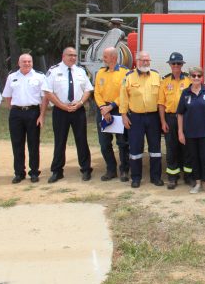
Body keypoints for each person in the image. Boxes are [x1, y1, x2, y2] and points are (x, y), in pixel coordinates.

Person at [43, 46, 95, 183]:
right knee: (60, 141)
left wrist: (80, 103)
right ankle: (57, 171)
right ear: (63, 56)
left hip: (78, 110)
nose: (72, 57)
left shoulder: (80, 71)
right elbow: (48, 92)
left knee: (82, 140)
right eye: (69, 55)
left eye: (75, 55)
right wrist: (62, 106)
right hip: (61, 111)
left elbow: (88, 90)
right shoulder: (53, 71)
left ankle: (85, 169)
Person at [119, 51, 163, 188]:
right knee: (135, 149)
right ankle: (136, 178)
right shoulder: (129, 77)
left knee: (155, 149)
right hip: (136, 118)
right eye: (143, 60)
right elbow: (123, 97)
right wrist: (124, 115)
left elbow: (162, 98)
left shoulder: (156, 76)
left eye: (148, 60)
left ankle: (156, 177)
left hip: (153, 117)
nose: (146, 63)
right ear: (137, 61)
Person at [2, 53, 48, 183]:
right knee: (17, 144)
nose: (27, 64)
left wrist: (41, 115)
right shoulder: (12, 77)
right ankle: (19, 173)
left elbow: (44, 97)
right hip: (16, 113)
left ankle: (34, 172)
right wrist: (14, 110)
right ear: (19, 63)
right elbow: (7, 96)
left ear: (32, 62)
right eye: (24, 61)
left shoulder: (39, 76)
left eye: (29, 61)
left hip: (33, 112)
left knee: (33, 144)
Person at [177, 66, 205, 196]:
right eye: (193, 75)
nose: (196, 78)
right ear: (190, 77)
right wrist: (180, 132)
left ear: (202, 78)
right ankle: (197, 183)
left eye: (198, 76)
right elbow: (180, 114)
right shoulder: (185, 93)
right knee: (194, 159)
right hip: (190, 133)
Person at [94, 47, 130, 182]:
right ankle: (111, 170)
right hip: (103, 110)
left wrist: (111, 106)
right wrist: (103, 107)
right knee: (104, 143)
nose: (103, 59)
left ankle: (124, 170)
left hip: (118, 110)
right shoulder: (100, 73)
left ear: (114, 58)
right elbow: (96, 92)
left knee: (122, 143)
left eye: (105, 56)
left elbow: (125, 93)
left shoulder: (124, 72)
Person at [159, 52, 192, 189]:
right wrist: (163, 121)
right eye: (173, 63)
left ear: (182, 65)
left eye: (178, 63)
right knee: (171, 148)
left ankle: (188, 176)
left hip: (186, 118)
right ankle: (172, 177)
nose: (176, 66)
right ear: (170, 65)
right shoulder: (165, 82)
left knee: (187, 148)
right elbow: (161, 103)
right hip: (170, 118)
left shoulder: (189, 81)